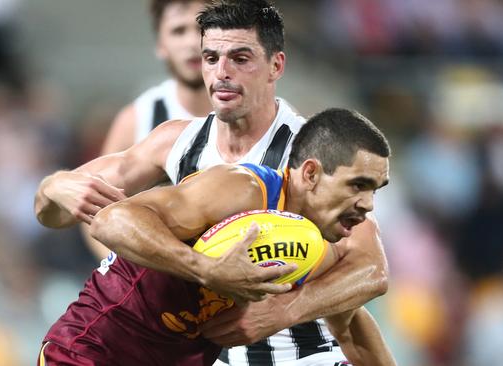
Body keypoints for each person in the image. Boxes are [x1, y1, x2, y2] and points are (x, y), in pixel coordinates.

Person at [35, 0, 390, 364]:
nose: (222, 72)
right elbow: (62, 215)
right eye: (211, 58)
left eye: (240, 58)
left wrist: (285, 311)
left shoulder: (308, 157)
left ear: (276, 65)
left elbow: (370, 269)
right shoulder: (177, 141)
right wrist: (54, 188)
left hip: (298, 353)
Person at [38, 108, 395, 366]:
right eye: (357, 186)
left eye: (375, 190)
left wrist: (285, 310)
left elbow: (350, 323)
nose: (367, 205)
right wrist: (206, 268)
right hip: (90, 351)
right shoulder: (242, 190)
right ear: (312, 173)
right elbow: (109, 221)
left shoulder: (314, 242)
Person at [82, 0, 213, 259]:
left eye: (202, 29)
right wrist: (126, 268)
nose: (191, 43)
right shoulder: (137, 118)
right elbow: (91, 211)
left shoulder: (264, 113)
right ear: (161, 46)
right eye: (178, 31)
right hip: (160, 283)